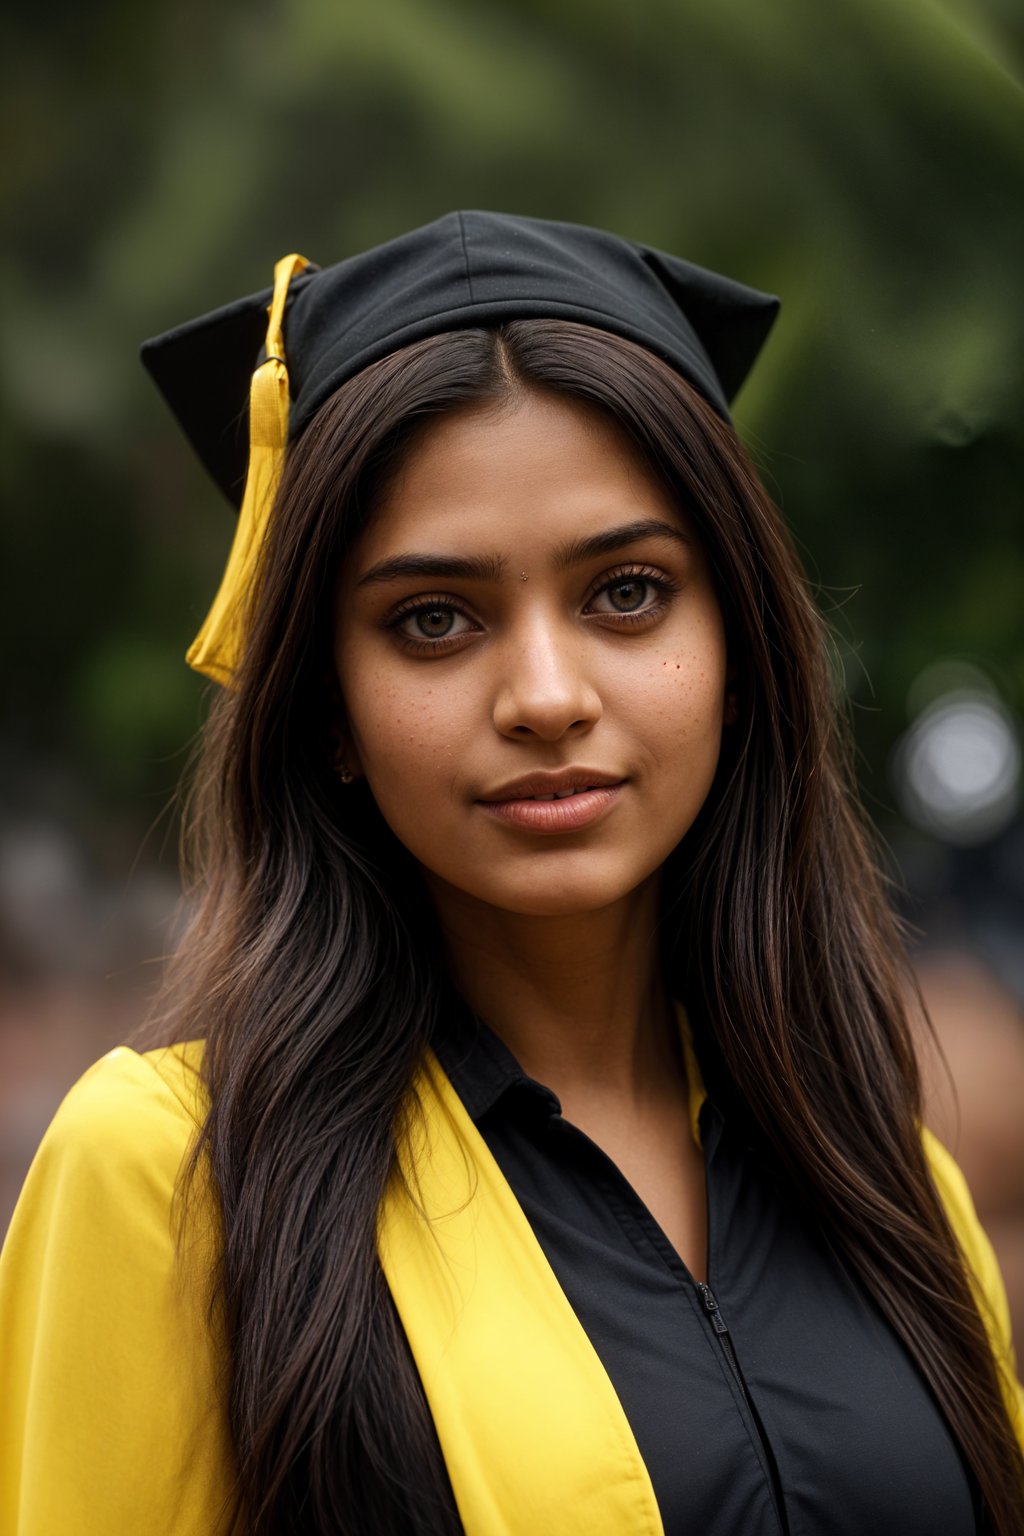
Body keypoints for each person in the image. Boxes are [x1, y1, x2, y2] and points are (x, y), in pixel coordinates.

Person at [0, 211, 1021, 1536]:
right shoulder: (172, 1185)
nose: (546, 696)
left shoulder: (883, 1177)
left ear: (739, 649)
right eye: (435, 620)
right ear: (326, 708)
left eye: (628, 593)